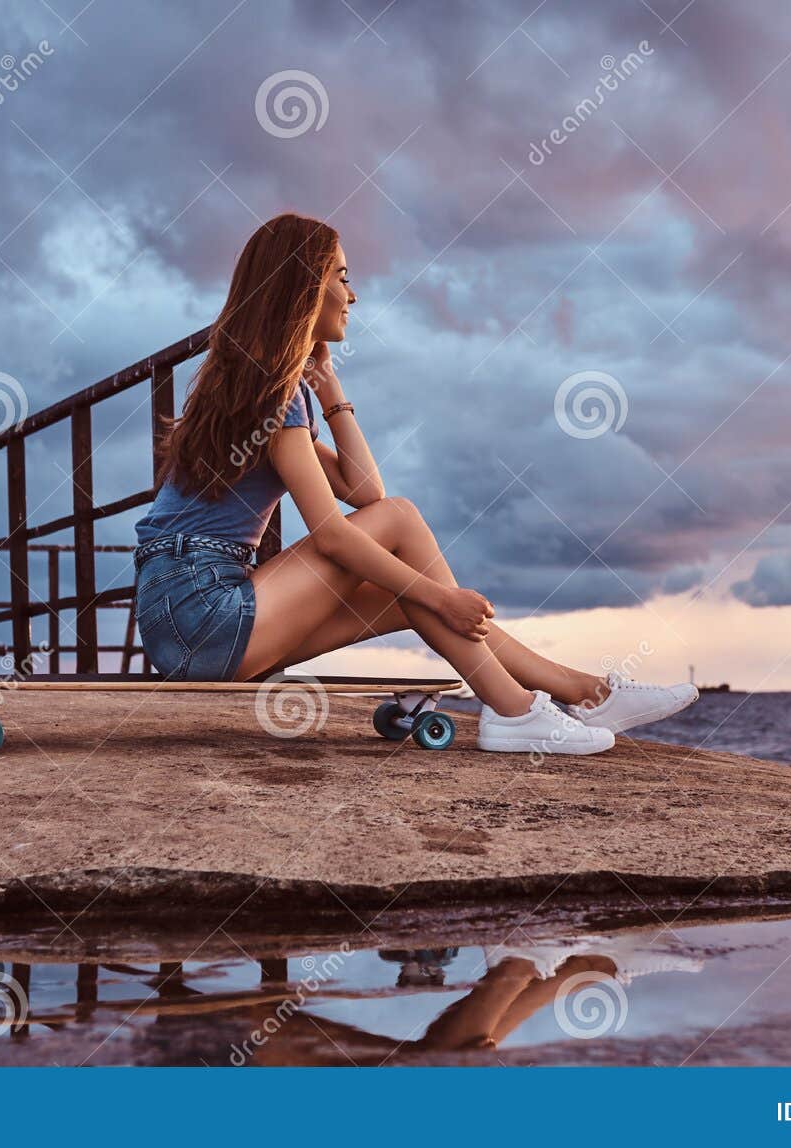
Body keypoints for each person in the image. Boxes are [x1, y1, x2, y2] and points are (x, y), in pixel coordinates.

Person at [133, 212, 698, 754]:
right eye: (343, 278)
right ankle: (514, 713)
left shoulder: (261, 386)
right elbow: (337, 532)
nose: (353, 297)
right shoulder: (274, 392)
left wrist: (331, 391)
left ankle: (585, 695)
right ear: (303, 288)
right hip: (201, 611)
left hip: (183, 622)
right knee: (407, 534)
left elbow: (361, 490)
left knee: (408, 598)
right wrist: (444, 596)